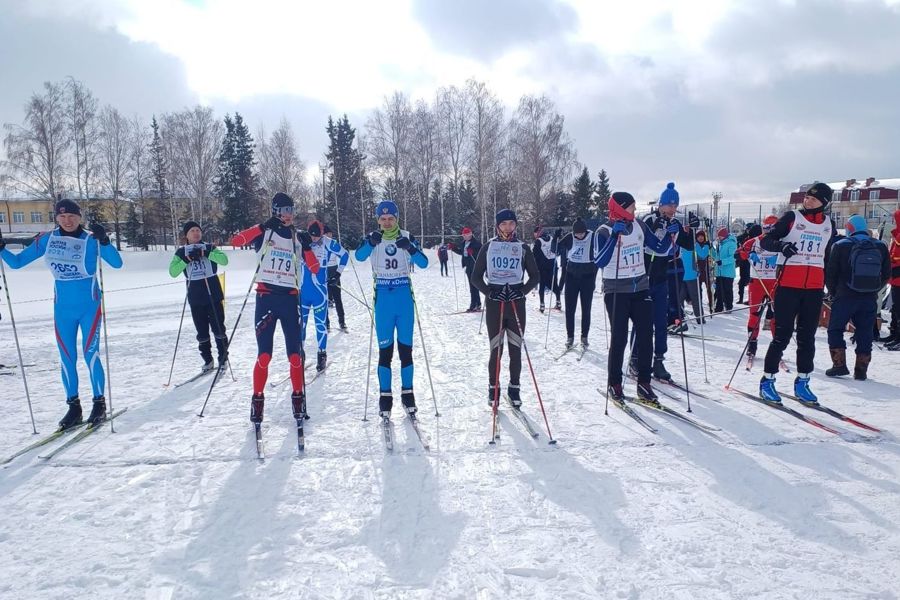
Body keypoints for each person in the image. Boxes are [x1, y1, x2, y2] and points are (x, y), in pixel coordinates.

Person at [0, 199, 123, 429]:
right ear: (57, 217)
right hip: (63, 310)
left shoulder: (91, 239)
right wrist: (2, 250)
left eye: (72, 217)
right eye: (63, 217)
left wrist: (105, 241)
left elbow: (116, 263)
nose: (67, 221)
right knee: (67, 358)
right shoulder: (48, 239)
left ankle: (99, 403)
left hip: (89, 307)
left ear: (80, 217)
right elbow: (16, 264)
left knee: (91, 354)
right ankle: (73, 407)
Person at [230, 192, 319, 424]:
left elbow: (316, 269)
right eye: (284, 210)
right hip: (266, 299)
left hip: (290, 300)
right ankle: (257, 400)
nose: (288, 215)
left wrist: (308, 248)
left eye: (291, 210)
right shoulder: (266, 232)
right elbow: (236, 241)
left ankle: (298, 398)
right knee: (265, 355)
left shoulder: (297, 237)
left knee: (295, 356)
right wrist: (261, 227)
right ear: (275, 211)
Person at [595, 192, 678, 403]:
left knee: (645, 336)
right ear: (620, 208)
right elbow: (599, 261)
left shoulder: (640, 226)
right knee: (620, 338)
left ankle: (644, 383)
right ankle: (614, 382)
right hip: (616, 291)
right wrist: (614, 237)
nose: (634, 211)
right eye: (630, 207)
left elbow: (659, 248)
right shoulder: (603, 231)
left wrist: (670, 234)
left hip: (640, 288)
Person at [758, 182, 836, 403]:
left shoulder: (828, 224)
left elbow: (826, 256)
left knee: (807, 338)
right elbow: (766, 241)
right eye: (807, 197)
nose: (807, 200)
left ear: (824, 203)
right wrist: (781, 247)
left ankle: (803, 382)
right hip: (788, 286)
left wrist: (829, 286)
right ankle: (767, 381)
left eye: (813, 198)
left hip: (813, 288)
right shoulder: (792, 218)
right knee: (781, 336)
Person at [354, 200, 429, 420]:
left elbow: (424, 263)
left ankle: (408, 394)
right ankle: (385, 396)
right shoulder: (374, 238)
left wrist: (411, 247)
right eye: (383, 219)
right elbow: (358, 257)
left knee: (406, 350)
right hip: (384, 301)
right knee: (385, 352)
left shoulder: (406, 236)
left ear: (397, 219)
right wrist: (369, 242)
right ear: (378, 220)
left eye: (391, 219)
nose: (387, 223)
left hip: (404, 298)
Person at [470, 209, 539, 407]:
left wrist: (522, 291)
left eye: (511, 223)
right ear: (497, 226)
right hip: (495, 302)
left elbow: (535, 276)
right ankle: (494, 388)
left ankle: (514, 388)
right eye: (504, 224)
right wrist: (489, 292)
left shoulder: (523, 247)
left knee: (516, 348)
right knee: (496, 349)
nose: (508, 227)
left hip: (516, 302)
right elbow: (476, 277)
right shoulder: (488, 247)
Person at [638, 182, 695, 379]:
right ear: (661, 204)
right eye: (669, 204)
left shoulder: (676, 223)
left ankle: (659, 361)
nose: (672, 208)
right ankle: (636, 358)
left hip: (662, 277)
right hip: (645, 277)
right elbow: (647, 241)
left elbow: (689, 245)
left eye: (675, 204)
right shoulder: (649, 219)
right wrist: (661, 229)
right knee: (643, 322)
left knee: (661, 322)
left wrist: (692, 231)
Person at [824, 215, 890, 380]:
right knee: (865, 331)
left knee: (835, 329)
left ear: (849, 228)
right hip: (869, 298)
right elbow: (886, 274)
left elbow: (830, 274)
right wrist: (874, 289)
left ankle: (839, 365)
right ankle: (861, 370)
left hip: (844, 296)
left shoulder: (840, 245)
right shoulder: (881, 246)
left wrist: (833, 292)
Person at [169, 221, 229, 373]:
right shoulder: (181, 252)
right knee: (202, 332)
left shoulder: (209, 247)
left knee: (218, 328)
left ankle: (223, 358)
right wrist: (187, 259)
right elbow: (173, 272)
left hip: (213, 294)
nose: (196, 233)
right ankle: (208, 360)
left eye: (198, 230)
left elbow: (224, 260)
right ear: (186, 235)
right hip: (195, 297)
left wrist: (205, 254)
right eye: (192, 231)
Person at [301, 220, 348, 371]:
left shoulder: (328, 242)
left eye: (317, 236)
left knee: (320, 325)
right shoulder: (302, 239)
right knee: (300, 324)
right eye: (312, 236)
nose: (314, 239)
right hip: (303, 291)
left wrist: (337, 274)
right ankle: (299, 355)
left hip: (320, 292)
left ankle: (322, 355)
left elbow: (345, 255)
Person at [553, 218, 599, 348]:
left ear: (585, 231)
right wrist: (555, 238)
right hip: (572, 276)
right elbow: (554, 250)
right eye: (576, 234)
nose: (579, 236)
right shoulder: (570, 237)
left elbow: (602, 248)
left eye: (581, 233)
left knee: (586, 308)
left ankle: (584, 337)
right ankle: (570, 337)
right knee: (570, 309)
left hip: (588, 277)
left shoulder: (593, 236)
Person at [738, 217, 780, 359]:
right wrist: (748, 254)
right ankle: (752, 343)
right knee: (754, 314)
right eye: (765, 228)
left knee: (776, 315)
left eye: (770, 228)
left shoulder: (780, 242)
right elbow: (740, 252)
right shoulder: (753, 241)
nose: (767, 231)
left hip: (774, 282)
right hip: (757, 281)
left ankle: (777, 346)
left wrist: (779, 259)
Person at [679, 228, 708, 324]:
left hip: (688, 275)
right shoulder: (681, 244)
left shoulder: (692, 244)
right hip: (683, 275)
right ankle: (680, 318)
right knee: (682, 298)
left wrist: (707, 246)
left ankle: (698, 318)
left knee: (690, 298)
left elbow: (703, 255)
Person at [322, 224, 348, 331]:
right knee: (325, 299)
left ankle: (342, 322)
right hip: (324, 272)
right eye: (327, 234)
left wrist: (338, 273)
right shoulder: (322, 245)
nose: (329, 235)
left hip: (334, 271)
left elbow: (343, 255)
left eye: (330, 233)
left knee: (338, 299)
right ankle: (326, 323)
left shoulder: (333, 244)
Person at [450, 227, 482, 312]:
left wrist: (473, 252)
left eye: (467, 235)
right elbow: (462, 252)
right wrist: (453, 248)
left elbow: (480, 253)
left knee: (474, 286)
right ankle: (477, 304)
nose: (465, 236)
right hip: (468, 267)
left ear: (471, 234)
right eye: (463, 235)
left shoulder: (476, 243)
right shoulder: (464, 243)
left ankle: (474, 305)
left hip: (475, 267)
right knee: (472, 286)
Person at [880, 209, 900, 349]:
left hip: (898, 275)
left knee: (899, 308)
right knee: (895, 308)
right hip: (895, 277)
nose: (893, 222)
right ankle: (894, 333)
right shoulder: (897, 235)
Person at [532, 225, 561, 312]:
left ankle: (542, 304)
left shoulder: (538, 241)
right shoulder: (551, 238)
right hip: (552, 265)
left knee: (542, 285)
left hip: (542, 267)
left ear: (537, 233)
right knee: (554, 284)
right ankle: (558, 302)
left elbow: (534, 254)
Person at [713, 227, 737, 313]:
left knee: (727, 290)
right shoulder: (720, 244)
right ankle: (719, 307)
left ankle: (728, 306)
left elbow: (733, 257)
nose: (719, 238)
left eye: (720, 236)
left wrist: (722, 262)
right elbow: (717, 255)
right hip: (719, 271)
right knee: (719, 290)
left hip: (728, 272)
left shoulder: (731, 244)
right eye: (718, 236)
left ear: (725, 236)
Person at [736, 223, 753, 304]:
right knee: (742, 280)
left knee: (751, 281)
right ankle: (741, 298)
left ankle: (751, 299)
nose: (748, 231)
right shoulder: (745, 237)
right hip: (743, 260)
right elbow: (738, 239)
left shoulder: (754, 238)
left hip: (751, 261)